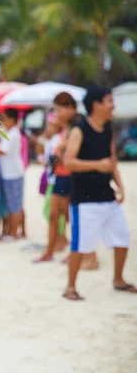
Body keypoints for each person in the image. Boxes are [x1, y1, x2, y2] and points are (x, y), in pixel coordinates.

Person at [62, 86, 136, 300]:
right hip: (84, 200)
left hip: (107, 197)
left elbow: (111, 161)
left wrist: (120, 185)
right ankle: (70, 286)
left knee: (122, 238)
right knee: (80, 245)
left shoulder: (108, 129)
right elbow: (69, 161)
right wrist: (97, 165)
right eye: (109, 100)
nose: (113, 105)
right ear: (96, 104)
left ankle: (119, 279)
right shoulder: (80, 129)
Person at [34, 92, 77, 262]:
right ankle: (49, 251)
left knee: (69, 217)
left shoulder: (73, 131)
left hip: (67, 176)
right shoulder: (63, 133)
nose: (56, 114)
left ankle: (74, 252)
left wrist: (57, 158)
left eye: (58, 110)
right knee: (53, 216)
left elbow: (68, 157)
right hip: (58, 177)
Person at [0, 109, 25, 240]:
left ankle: (13, 233)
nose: (3, 121)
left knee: (14, 205)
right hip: (10, 172)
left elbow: (0, 151)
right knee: (14, 203)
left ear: (12, 120)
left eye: (5, 118)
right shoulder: (9, 132)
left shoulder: (13, 134)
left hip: (13, 173)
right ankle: (20, 231)